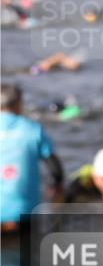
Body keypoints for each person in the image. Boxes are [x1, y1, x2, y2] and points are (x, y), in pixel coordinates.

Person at [1, 84, 64, 232]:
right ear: (18, 103)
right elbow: (55, 168)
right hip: (23, 213)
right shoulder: (33, 129)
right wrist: (57, 186)